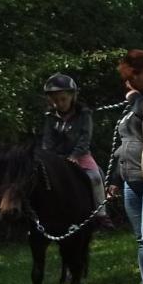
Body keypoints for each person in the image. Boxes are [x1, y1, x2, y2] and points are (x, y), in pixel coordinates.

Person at [107, 50, 143, 284]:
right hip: (130, 181)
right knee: (140, 238)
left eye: (132, 78)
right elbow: (123, 146)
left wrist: (134, 98)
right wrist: (115, 179)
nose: (128, 84)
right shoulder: (132, 104)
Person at [40, 74, 111, 228]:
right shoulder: (50, 117)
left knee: (95, 177)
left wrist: (75, 156)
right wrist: (50, 157)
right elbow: (47, 140)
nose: (59, 103)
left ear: (73, 96)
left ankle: (101, 214)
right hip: (57, 158)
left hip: (80, 155)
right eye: (55, 100)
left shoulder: (84, 114)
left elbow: (85, 138)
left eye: (63, 99)